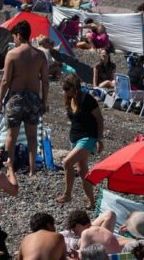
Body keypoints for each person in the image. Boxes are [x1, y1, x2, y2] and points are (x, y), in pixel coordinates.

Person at [0, 20, 49, 177]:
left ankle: (10, 170)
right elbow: (45, 81)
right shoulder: (40, 55)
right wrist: (44, 102)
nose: (14, 40)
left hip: (16, 98)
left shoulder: (12, 54)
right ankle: (32, 170)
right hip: (33, 98)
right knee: (32, 137)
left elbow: (5, 80)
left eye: (14, 36)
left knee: (11, 136)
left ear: (19, 35)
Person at [57, 75, 104, 207]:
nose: (65, 91)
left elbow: (99, 119)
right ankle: (92, 202)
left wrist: (99, 139)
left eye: (67, 88)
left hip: (88, 137)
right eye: (64, 88)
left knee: (67, 163)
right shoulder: (70, 99)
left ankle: (67, 194)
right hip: (75, 138)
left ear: (74, 87)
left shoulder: (87, 99)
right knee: (82, 170)